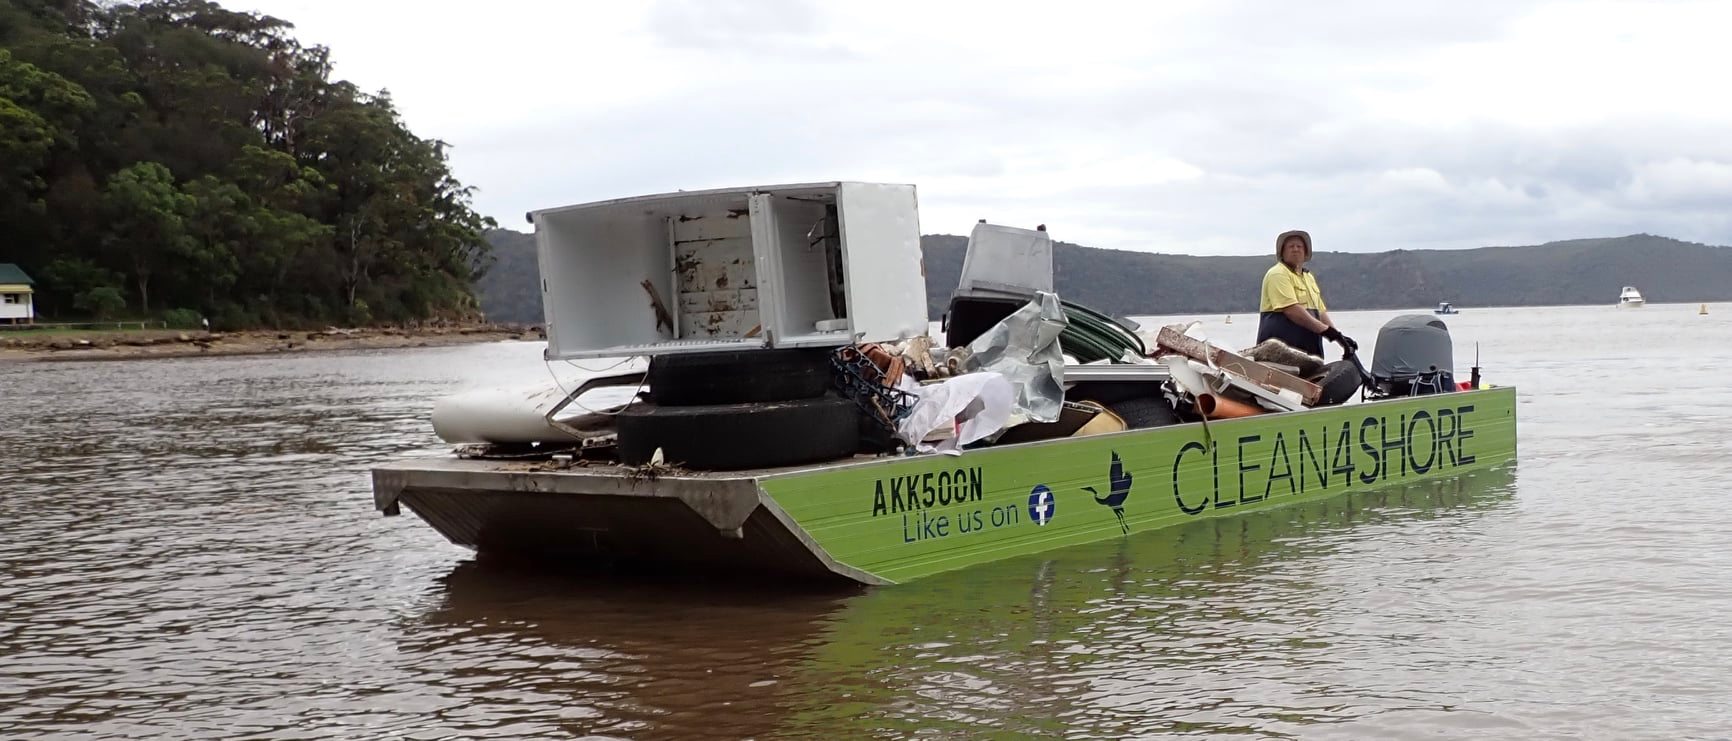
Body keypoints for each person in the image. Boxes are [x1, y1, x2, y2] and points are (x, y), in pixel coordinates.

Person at [1257, 229, 1357, 359]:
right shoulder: (1277, 273)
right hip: (1280, 354)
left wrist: (1339, 337)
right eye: (1290, 246)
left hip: (1309, 352)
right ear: (1282, 252)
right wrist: (1326, 332)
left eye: (1299, 246)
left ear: (1305, 252)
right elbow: (1291, 310)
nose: (1295, 249)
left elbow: (1320, 312)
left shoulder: (1308, 277)